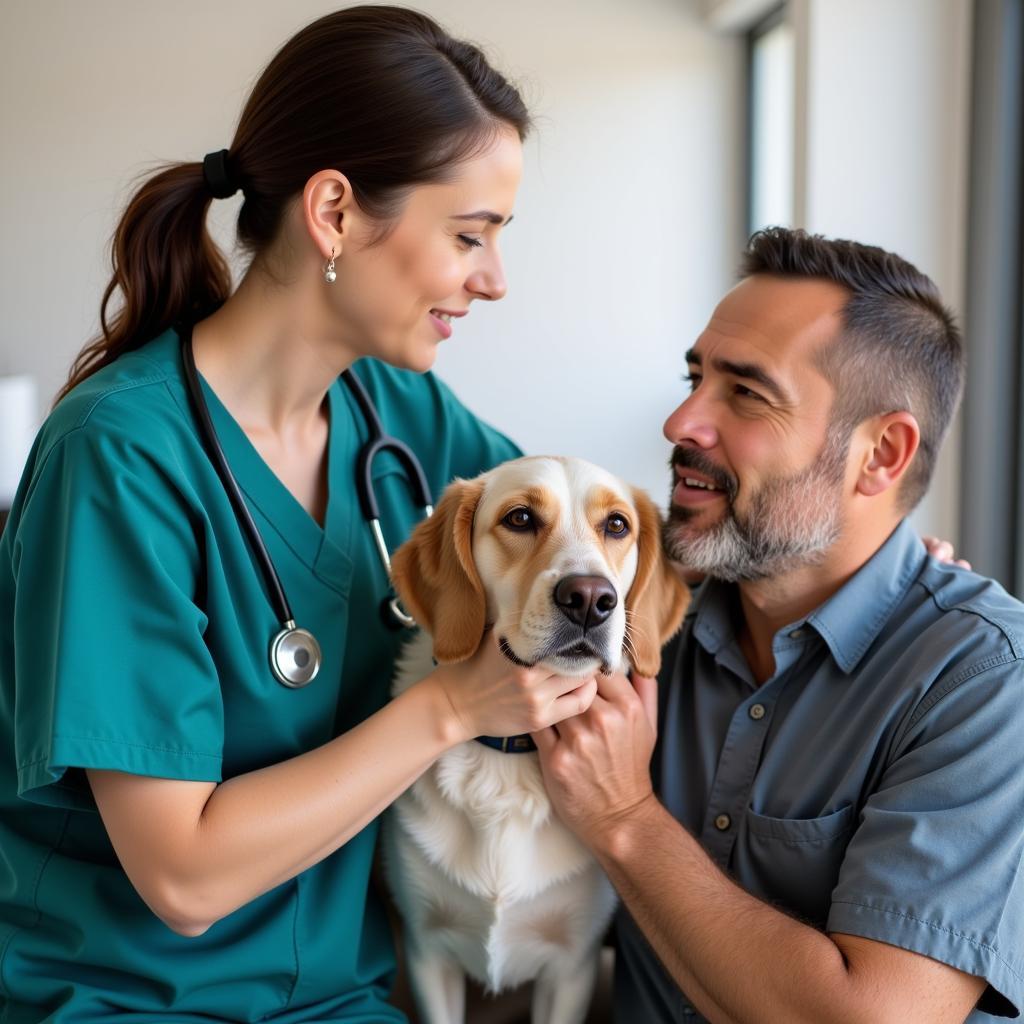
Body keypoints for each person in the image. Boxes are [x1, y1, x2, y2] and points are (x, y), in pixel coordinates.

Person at [0, 8, 602, 1022]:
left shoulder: (398, 417)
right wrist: (452, 707)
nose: (494, 280)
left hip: (339, 995)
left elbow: (589, 557)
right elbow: (181, 876)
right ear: (332, 212)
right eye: (469, 236)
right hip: (127, 998)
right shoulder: (121, 456)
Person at [534, 228, 1024, 1023]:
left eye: (746, 394)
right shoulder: (625, 614)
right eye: (695, 378)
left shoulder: (981, 678)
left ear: (881, 455)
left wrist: (624, 818)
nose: (680, 422)